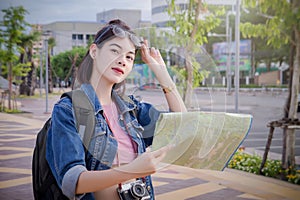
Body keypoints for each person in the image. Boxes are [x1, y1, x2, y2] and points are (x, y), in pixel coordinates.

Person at [46, 19, 187, 200]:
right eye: (114, 51)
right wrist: (132, 170)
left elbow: (182, 124)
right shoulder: (69, 109)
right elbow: (72, 182)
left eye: (129, 57)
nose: (122, 60)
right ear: (94, 51)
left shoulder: (132, 109)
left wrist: (161, 71)